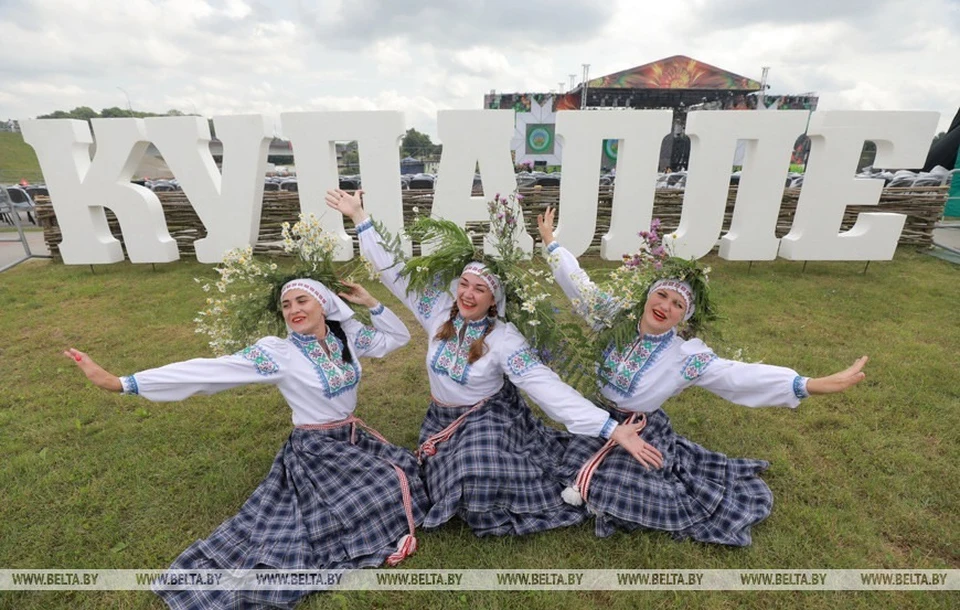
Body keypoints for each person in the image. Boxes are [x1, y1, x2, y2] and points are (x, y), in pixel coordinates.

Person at [65, 278, 427, 609]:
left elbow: (398, 338)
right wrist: (123, 382)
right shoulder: (279, 354)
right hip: (315, 450)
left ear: (324, 305)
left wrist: (370, 302)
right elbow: (211, 370)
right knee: (361, 500)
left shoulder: (344, 338)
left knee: (404, 474)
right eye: (286, 305)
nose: (294, 310)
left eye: (302, 301)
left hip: (351, 438)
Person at [325, 189, 654, 537]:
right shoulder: (437, 314)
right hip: (442, 419)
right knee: (449, 476)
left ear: (493, 300)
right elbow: (395, 272)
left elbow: (544, 386)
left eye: (479, 289)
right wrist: (360, 218)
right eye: (464, 284)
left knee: (474, 473)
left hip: (489, 415)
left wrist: (610, 428)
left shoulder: (504, 339)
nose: (467, 294)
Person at [537, 207, 868, 546]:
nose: (665, 306)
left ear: (684, 316)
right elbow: (579, 285)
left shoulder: (685, 357)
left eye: (678, 304)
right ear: (648, 295)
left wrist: (808, 385)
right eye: (662, 295)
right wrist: (551, 243)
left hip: (641, 426)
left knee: (626, 489)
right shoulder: (612, 319)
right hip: (599, 418)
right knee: (555, 465)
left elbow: (737, 376)